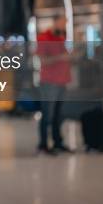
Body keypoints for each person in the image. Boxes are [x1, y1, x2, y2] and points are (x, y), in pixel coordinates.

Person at [36, 15, 72, 155]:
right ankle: (43, 145)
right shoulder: (44, 38)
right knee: (47, 115)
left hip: (62, 81)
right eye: (63, 23)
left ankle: (58, 142)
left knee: (59, 115)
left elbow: (65, 58)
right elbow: (43, 61)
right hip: (49, 83)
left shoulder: (61, 38)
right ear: (56, 22)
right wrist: (61, 57)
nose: (64, 26)